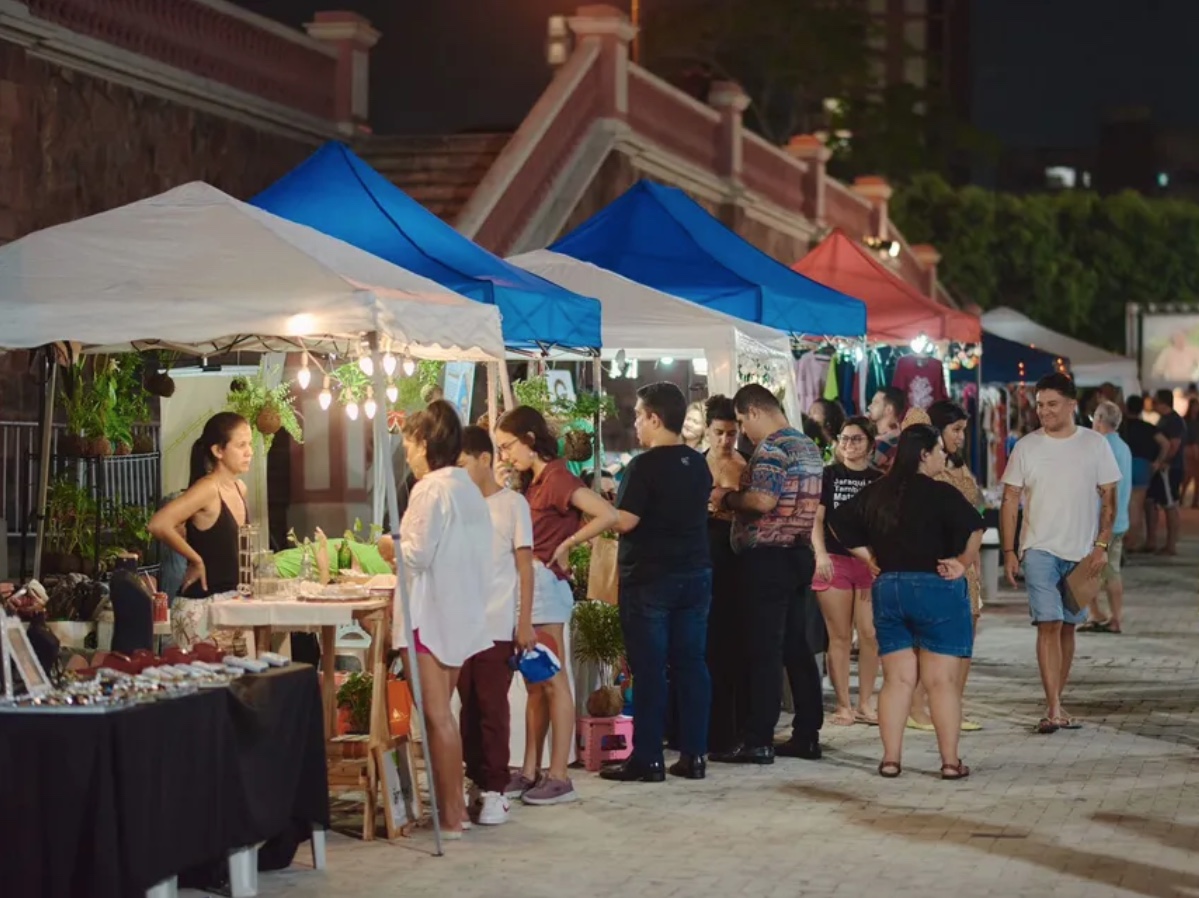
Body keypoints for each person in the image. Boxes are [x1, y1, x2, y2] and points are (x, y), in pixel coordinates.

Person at [830, 424, 985, 779]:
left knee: (897, 680)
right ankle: (949, 763)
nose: (944, 456)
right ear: (924, 454)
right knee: (941, 682)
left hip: (889, 589)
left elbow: (838, 521)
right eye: (939, 451)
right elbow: (976, 525)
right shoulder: (941, 493)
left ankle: (890, 759)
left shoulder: (877, 491)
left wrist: (867, 557)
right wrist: (961, 563)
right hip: (936, 588)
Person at [496, 406, 618, 806]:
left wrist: (568, 544)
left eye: (508, 446)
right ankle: (532, 769)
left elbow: (606, 513)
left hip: (546, 586)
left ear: (530, 439)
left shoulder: (557, 478)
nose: (505, 455)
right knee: (535, 684)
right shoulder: (535, 482)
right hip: (532, 586)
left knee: (553, 679)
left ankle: (559, 775)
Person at [602, 383, 713, 783]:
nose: (634, 424)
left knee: (649, 670)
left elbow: (627, 521)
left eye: (638, 415)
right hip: (695, 574)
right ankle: (695, 754)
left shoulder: (644, 466)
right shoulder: (698, 463)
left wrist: (600, 510)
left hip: (650, 579)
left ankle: (647, 758)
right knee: (691, 665)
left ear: (654, 418)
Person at [709, 384, 824, 764]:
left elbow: (762, 500)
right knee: (796, 646)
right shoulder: (807, 446)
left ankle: (758, 738)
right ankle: (807, 733)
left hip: (768, 558)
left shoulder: (773, 448)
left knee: (764, 650)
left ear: (754, 412)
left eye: (742, 423)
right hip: (798, 554)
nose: (742, 433)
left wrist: (725, 498)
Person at [1001, 373, 1120, 735]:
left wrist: (1101, 546)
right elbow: (1009, 500)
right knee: (1048, 623)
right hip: (1038, 548)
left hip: (1082, 552)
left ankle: (1057, 700)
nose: (1044, 411)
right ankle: (1052, 707)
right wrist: (1009, 550)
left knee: (1069, 627)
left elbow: (1109, 500)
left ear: (1072, 404)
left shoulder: (1095, 445)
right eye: (1039, 405)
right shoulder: (1026, 447)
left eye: (1052, 404)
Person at [397, 401, 494, 838]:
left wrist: (387, 545)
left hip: (429, 614)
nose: (406, 452)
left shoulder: (431, 488)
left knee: (437, 718)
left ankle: (451, 817)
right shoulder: (467, 487)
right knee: (444, 716)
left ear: (424, 442)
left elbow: (415, 553)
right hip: (460, 609)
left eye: (408, 442)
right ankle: (449, 810)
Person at [457, 426, 536, 825]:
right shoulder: (456, 504)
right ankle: (476, 778)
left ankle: (495, 789)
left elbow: (525, 565)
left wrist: (524, 621)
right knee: (468, 707)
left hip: (497, 623)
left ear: (484, 459)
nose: (458, 472)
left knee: (492, 707)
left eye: (462, 463)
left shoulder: (512, 505)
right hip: (460, 624)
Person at [904, 400, 987, 733]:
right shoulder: (928, 473)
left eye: (964, 431)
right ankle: (918, 708)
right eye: (955, 430)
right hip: (940, 564)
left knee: (965, 640)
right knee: (935, 642)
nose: (961, 437)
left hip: (966, 566)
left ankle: (952, 706)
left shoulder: (959, 467)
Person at [149, 412, 253, 654]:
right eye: (241, 445)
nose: (249, 452)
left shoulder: (240, 488)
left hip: (235, 603)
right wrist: (196, 559)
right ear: (218, 451)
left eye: (249, 444)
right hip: (202, 609)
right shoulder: (207, 488)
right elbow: (159, 523)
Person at [811, 416, 881, 727]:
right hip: (834, 562)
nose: (849, 445)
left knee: (870, 635)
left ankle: (865, 702)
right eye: (844, 438)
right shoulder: (829, 476)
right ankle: (843, 704)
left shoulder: (878, 479)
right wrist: (820, 554)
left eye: (856, 439)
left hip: (869, 563)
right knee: (838, 636)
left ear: (870, 444)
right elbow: (816, 520)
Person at [702, 395, 750, 754]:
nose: (725, 440)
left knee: (730, 643)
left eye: (731, 433)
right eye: (719, 432)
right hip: (702, 553)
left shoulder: (744, 466)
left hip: (734, 556)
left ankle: (730, 728)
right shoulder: (695, 464)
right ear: (707, 430)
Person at [1079, 402, 1132, 635]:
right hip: (1119, 521)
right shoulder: (1123, 447)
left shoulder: (1099, 447)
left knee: (1095, 570)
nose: (1092, 421)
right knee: (1108, 570)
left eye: (1094, 417)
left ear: (1100, 419)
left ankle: (1107, 616)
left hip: (1102, 523)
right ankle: (1102, 615)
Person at [1119, 394, 1167, 550]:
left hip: (1124, 465)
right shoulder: (1149, 427)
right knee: (1137, 507)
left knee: (1122, 505)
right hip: (1143, 466)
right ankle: (1132, 542)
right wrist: (1157, 462)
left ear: (1126, 408)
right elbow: (1165, 444)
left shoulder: (1121, 427)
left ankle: (1123, 541)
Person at [1144, 388, 1185, 556]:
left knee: (1170, 505)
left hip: (1169, 469)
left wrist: (1164, 462)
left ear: (1162, 402)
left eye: (1155, 400)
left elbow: (1174, 445)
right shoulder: (1165, 419)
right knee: (1154, 502)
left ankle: (1171, 545)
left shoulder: (1173, 421)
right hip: (1164, 468)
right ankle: (1154, 541)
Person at [868, 387, 907, 472]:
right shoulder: (900, 436)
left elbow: (860, 469)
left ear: (888, 409)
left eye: (875, 403)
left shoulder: (886, 443)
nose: (869, 407)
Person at [1184, 397, 1199, 508]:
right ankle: (1181, 497)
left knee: (1196, 478)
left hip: (1194, 449)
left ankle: (1195, 500)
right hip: (1189, 450)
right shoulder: (1186, 421)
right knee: (1187, 476)